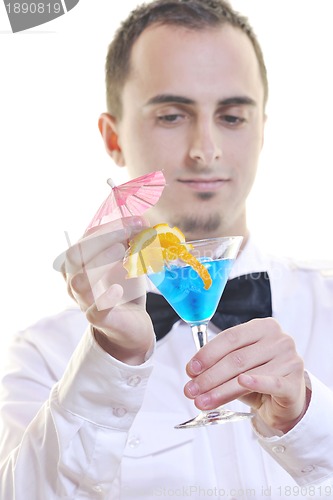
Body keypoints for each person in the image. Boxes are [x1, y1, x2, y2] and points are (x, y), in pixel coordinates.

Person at [1, 0, 333, 498]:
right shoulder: (43, 356)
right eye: (173, 115)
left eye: (233, 116)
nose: (205, 149)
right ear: (113, 138)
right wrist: (112, 357)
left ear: (264, 128)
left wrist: (309, 423)